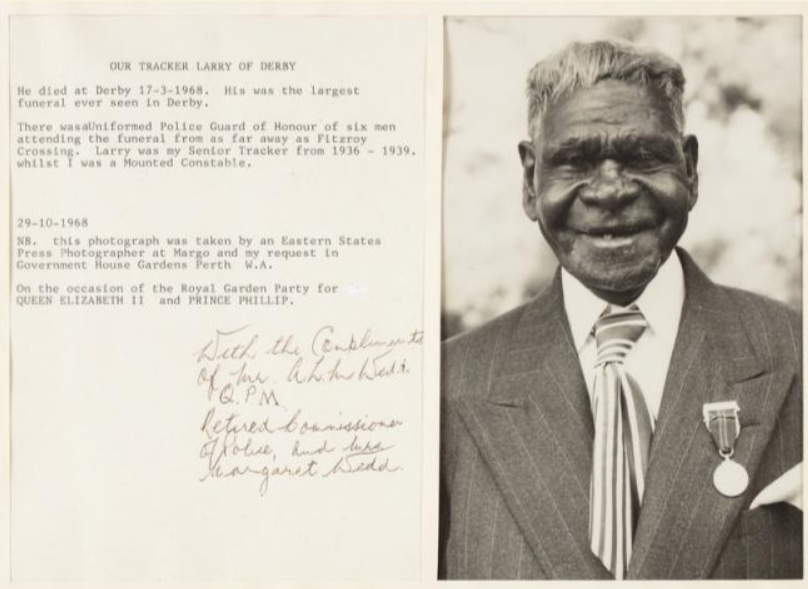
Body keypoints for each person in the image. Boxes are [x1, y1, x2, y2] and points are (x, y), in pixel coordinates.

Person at [439, 40, 802, 580]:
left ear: (691, 170)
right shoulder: (446, 384)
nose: (610, 190)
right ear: (529, 181)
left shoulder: (793, 352)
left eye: (641, 157)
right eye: (575, 162)